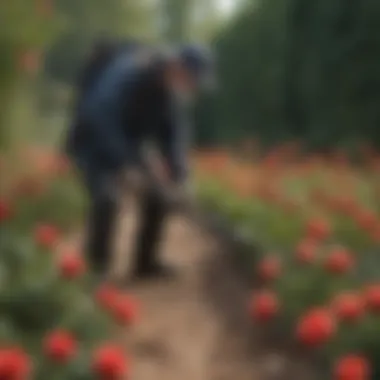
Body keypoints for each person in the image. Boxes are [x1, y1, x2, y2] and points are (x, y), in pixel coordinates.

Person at [65, 41, 215, 281]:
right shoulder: (130, 71)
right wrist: (124, 165)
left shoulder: (171, 93)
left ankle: (145, 263)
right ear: (177, 67)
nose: (192, 87)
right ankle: (95, 271)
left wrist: (180, 176)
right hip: (93, 142)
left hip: (129, 146)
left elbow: (173, 137)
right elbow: (97, 114)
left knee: (160, 191)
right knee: (108, 198)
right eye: (192, 79)